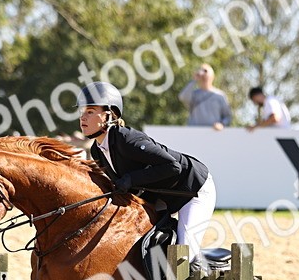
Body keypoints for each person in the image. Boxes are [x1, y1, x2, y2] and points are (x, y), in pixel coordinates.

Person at [79, 81, 216, 260]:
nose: (83, 118)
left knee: (183, 255)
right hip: (163, 196)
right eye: (82, 112)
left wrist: (131, 179)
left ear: (109, 115)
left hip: (193, 189)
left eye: (90, 112)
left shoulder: (126, 138)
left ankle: (197, 275)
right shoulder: (97, 150)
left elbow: (172, 166)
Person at [178, 64, 232, 129]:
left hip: (213, 133)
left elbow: (227, 117)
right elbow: (182, 97)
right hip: (195, 132)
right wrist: (194, 80)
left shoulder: (220, 95)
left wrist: (222, 124)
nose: (204, 76)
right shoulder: (194, 94)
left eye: (206, 72)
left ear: (213, 77)